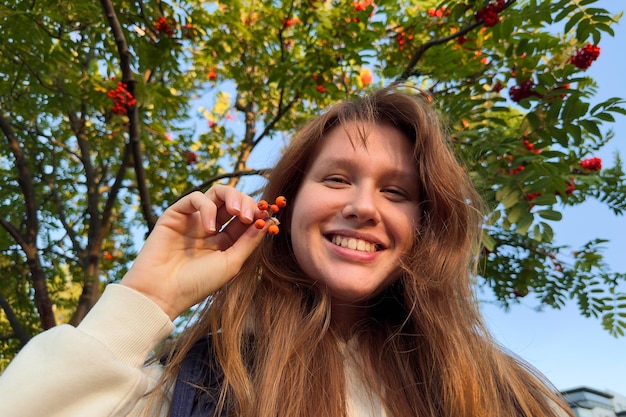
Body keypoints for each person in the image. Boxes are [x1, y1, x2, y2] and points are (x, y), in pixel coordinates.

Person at [0, 86, 573, 417]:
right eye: (336, 179)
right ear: (287, 205)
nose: (365, 207)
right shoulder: (194, 385)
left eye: (397, 192)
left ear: (422, 227)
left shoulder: (500, 393)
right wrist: (148, 295)